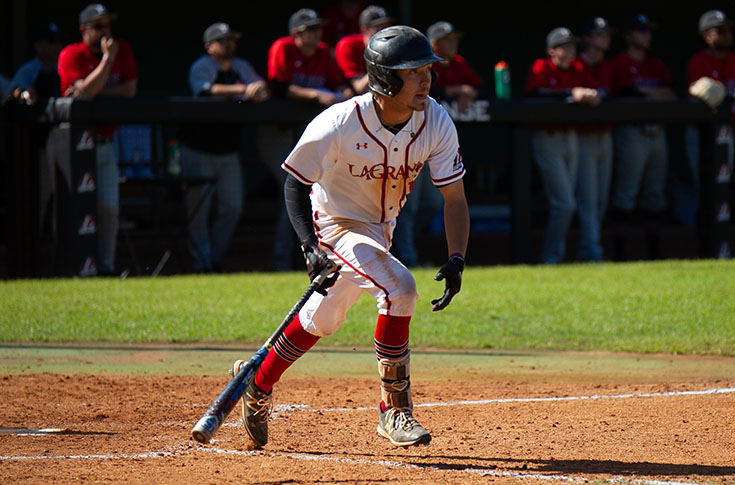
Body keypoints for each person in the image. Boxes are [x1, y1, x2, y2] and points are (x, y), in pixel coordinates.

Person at [232, 25, 469, 449]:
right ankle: (393, 410)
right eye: (413, 72)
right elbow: (294, 183)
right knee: (400, 289)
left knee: (322, 319)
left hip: (380, 228)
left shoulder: (435, 119)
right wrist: (309, 247)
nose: (426, 79)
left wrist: (457, 257)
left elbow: (454, 198)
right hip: (335, 225)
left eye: (427, 70)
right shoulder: (339, 122)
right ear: (384, 79)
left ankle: (257, 382)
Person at [258, 8, 353, 271]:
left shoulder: (324, 52)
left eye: (318, 28)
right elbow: (278, 86)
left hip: (308, 134)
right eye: (311, 29)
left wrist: (345, 91)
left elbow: (339, 83)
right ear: (297, 34)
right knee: (292, 190)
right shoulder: (284, 47)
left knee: (312, 193)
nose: (317, 34)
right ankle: (281, 260)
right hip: (278, 131)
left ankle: (313, 255)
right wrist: (315, 95)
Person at [177, 22, 269, 273]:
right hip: (197, 147)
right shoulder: (202, 66)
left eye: (232, 40)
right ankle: (201, 263)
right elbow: (205, 91)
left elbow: (260, 86)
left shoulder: (240, 66)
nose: (230, 44)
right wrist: (243, 90)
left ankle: (213, 259)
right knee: (199, 211)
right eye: (224, 40)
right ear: (210, 46)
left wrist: (257, 89)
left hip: (228, 149)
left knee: (232, 206)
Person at [57, 3, 138, 275]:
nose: (106, 32)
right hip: (68, 145)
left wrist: (95, 89)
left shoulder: (121, 49)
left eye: (108, 25)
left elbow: (129, 90)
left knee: (108, 209)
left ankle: (105, 267)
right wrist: (106, 62)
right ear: (84, 30)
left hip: (104, 144)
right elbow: (83, 94)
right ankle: (65, 268)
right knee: (64, 209)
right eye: (99, 26)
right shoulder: (71, 54)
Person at [524, 27, 602, 264]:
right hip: (547, 137)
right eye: (565, 47)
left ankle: (561, 255)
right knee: (565, 204)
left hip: (571, 136)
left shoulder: (578, 68)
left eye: (572, 46)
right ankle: (550, 257)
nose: (570, 51)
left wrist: (593, 95)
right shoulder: (541, 67)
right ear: (552, 51)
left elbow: (596, 90)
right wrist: (571, 93)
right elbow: (534, 93)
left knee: (569, 203)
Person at [608, 14, 676, 260]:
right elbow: (626, 92)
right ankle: (620, 257)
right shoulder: (619, 63)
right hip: (631, 131)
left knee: (655, 195)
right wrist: (651, 92)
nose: (646, 35)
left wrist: (647, 92)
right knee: (626, 194)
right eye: (640, 30)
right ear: (627, 35)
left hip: (656, 132)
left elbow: (672, 93)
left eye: (648, 30)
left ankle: (654, 256)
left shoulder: (655, 64)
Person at [7, 22, 63, 251]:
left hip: (65, 142)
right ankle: (32, 251)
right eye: (51, 42)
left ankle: (62, 251)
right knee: (39, 200)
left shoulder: (63, 65)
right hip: (38, 145)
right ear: (39, 46)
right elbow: (14, 90)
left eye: (58, 41)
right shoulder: (31, 69)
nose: (57, 46)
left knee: (64, 201)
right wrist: (23, 92)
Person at [679, 10, 735, 227]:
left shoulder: (733, 60)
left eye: (729, 30)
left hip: (731, 130)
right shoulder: (698, 62)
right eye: (721, 31)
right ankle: (705, 242)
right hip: (703, 136)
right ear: (707, 36)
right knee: (707, 188)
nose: (728, 35)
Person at [575, 17, 614, 262]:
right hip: (582, 136)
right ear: (587, 38)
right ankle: (592, 251)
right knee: (587, 198)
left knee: (601, 198)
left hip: (605, 135)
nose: (605, 37)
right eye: (599, 34)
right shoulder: (577, 66)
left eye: (606, 33)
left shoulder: (608, 67)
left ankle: (589, 248)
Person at [426, 21, 484, 114]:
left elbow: (480, 87)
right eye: (447, 39)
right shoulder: (426, 64)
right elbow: (425, 92)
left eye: (455, 39)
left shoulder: (459, 62)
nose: (453, 43)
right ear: (434, 44)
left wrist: (469, 95)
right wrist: (457, 90)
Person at [335, 5, 394, 94]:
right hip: (346, 98)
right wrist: (382, 61)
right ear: (364, 29)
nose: (384, 31)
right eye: (379, 26)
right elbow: (359, 87)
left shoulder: (390, 45)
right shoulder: (349, 45)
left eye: (386, 26)